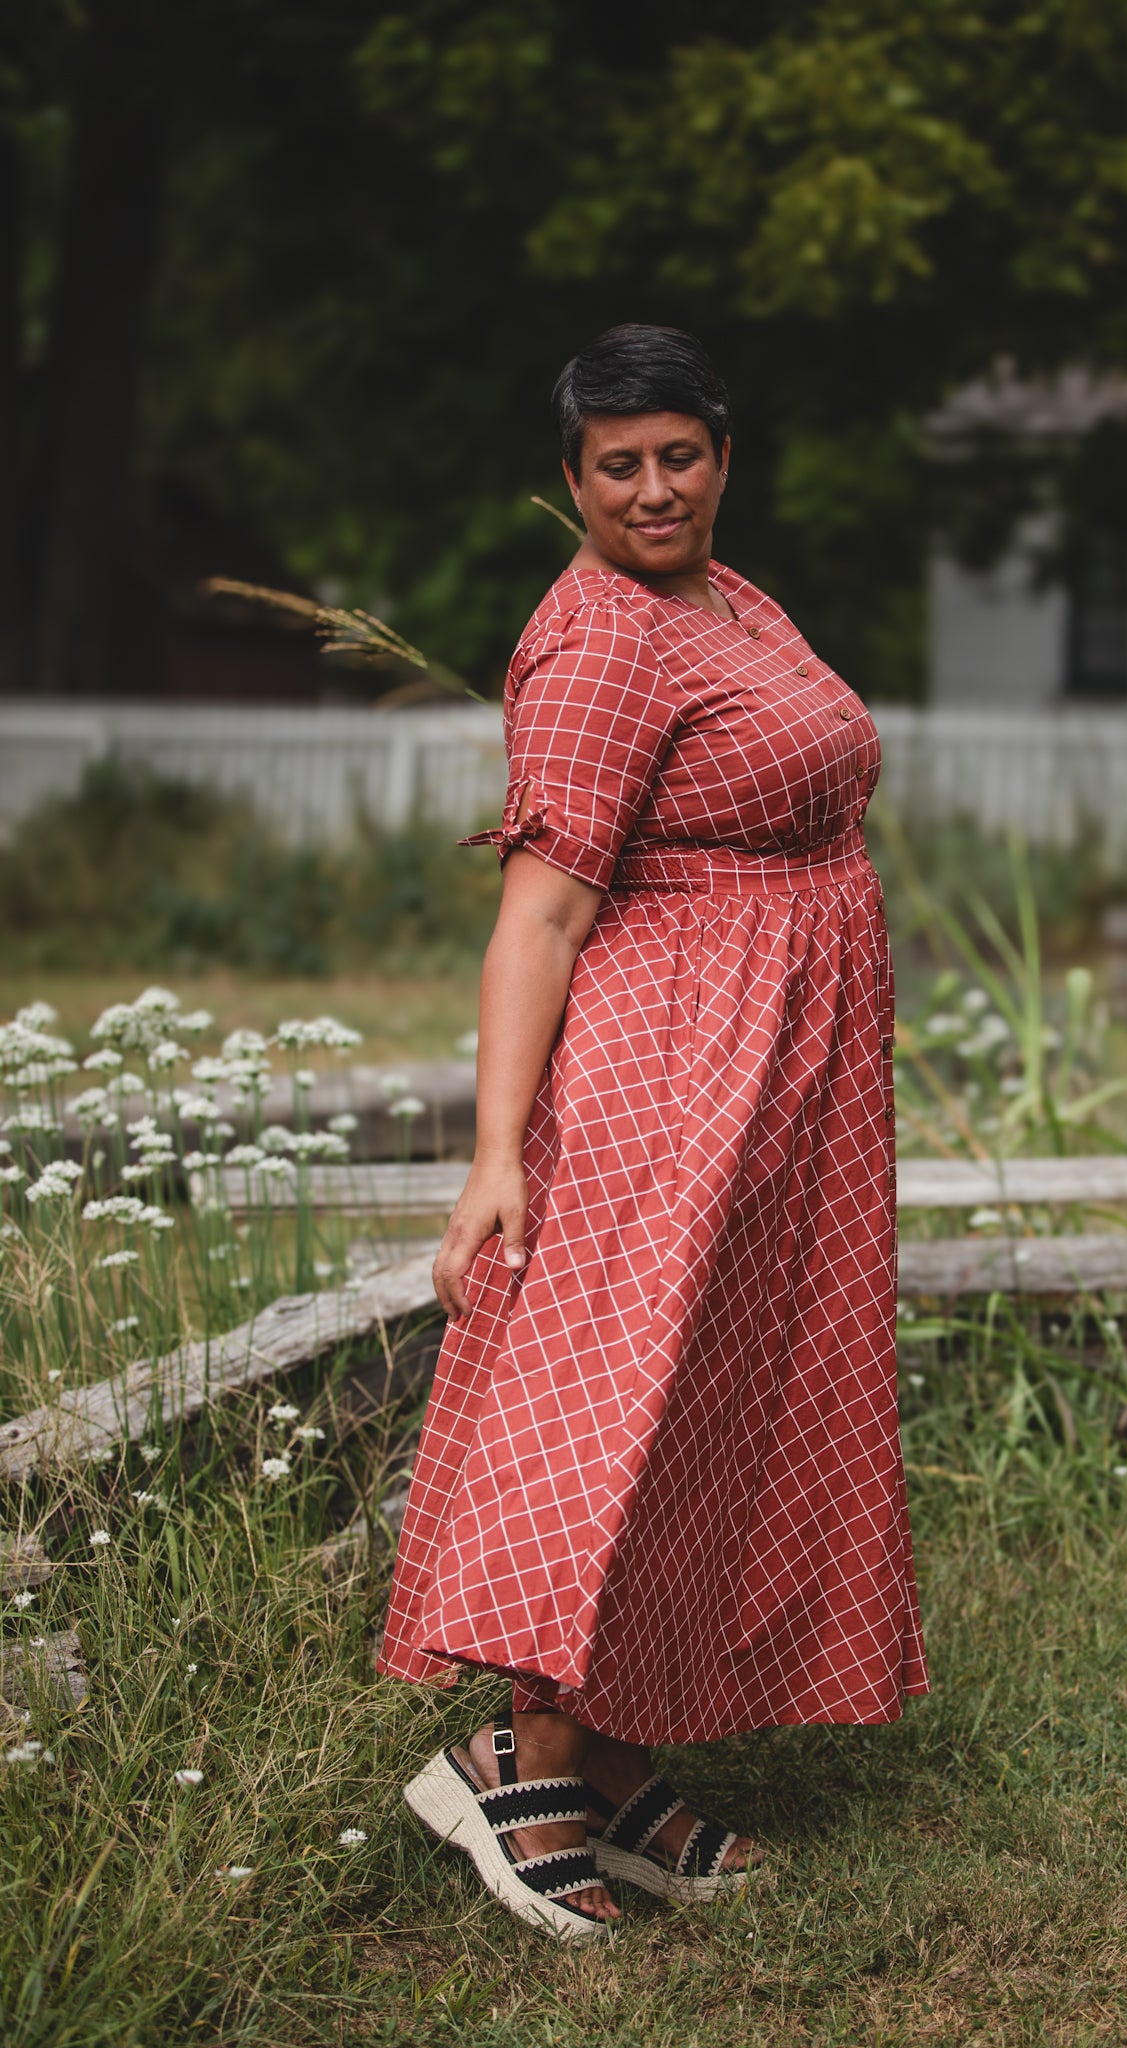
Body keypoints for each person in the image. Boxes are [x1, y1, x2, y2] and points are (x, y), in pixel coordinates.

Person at [379, 324, 928, 1940]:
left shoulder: (731, 600)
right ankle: (513, 1753)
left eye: (677, 454)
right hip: (671, 1063)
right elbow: (539, 917)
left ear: (720, 458)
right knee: (629, 1392)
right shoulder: (599, 642)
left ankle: (614, 1763)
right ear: (572, 485)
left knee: (725, 1398)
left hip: (784, 1064)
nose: (652, 486)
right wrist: (495, 1154)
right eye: (616, 466)